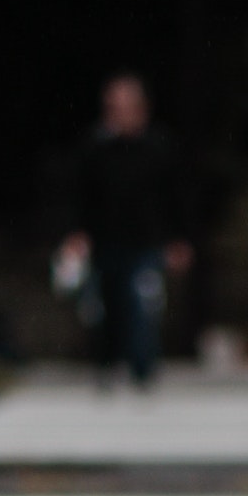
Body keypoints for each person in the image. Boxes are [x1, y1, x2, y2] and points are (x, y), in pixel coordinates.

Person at [56, 72, 193, 390]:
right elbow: (79, 196)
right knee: (104, 308)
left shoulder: (159, 146)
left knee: (144, 306)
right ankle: (105, 366)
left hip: (148, 242)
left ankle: (143, 370)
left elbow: (176, 196)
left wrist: (179, 239)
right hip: (104, 243)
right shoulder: (95, 146)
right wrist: (75, 234)